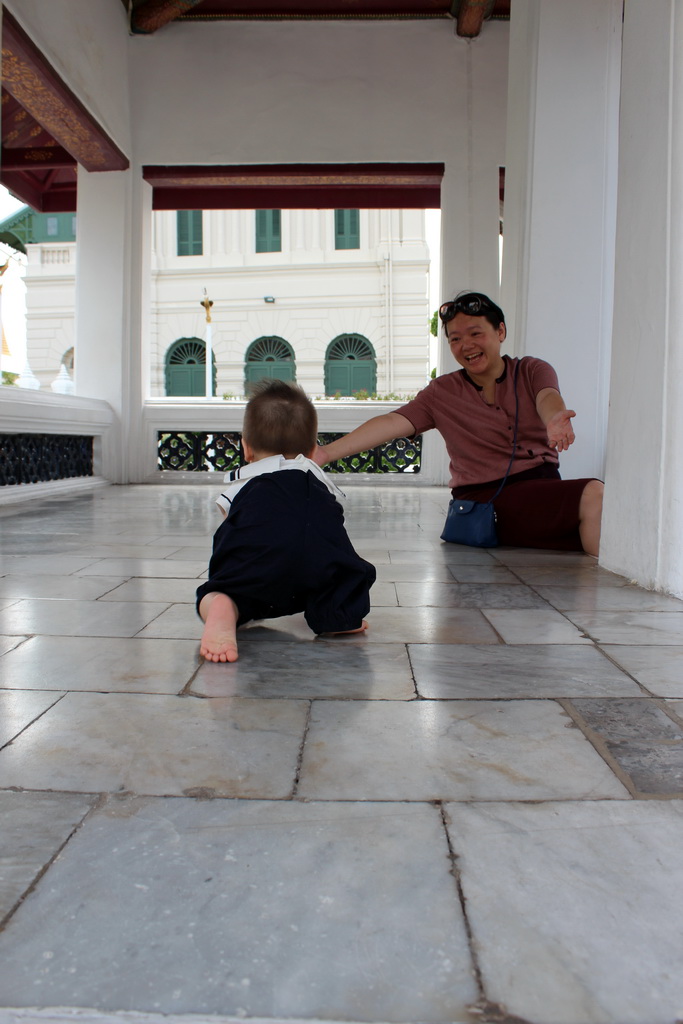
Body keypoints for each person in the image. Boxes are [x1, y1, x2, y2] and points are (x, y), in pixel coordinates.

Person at [313, 291, 604, 556]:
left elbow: (547, 396)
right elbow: (393, 421)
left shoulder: (531, 370)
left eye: (475, 333)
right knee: (594, 495)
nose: (466, 345)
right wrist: (326, 453)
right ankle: (597, 603)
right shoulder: (442, 392)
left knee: (593, 522)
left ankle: (591, 599)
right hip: (484, 503)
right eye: (455, 339)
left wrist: (554, 418)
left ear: (500, 331)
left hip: (540, 491)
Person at [196, 379, 376, 663]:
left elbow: (231, 521)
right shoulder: (318, 481)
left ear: (246, 449)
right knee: (343, 575)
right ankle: (339, 617)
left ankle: (223, 605)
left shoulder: (248, 481)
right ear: (313, 451)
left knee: (226, 587)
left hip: (262, 563)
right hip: (319, 563)